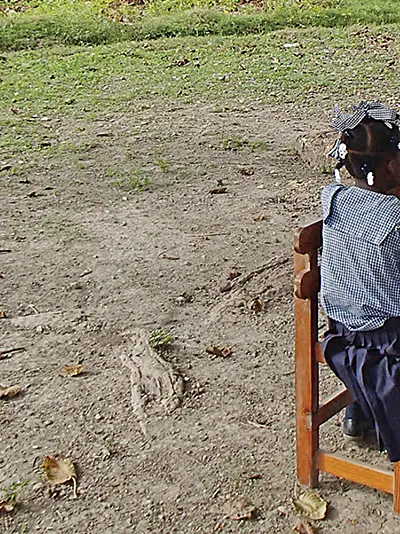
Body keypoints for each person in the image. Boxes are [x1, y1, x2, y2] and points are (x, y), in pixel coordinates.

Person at [320, 101, 400, 462]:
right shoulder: (396, 216)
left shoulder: (332, 199)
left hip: (341, 333)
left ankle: (360, 406)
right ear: (393, 165)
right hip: (389, 340)